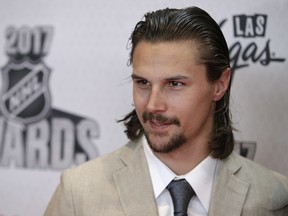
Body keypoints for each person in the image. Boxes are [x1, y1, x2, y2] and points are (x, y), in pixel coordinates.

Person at [44, 6, 288, 216]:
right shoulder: (79, 193)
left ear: (220, 85)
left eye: (175, 84)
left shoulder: (274, 198)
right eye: (143, 83)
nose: (152, 105)